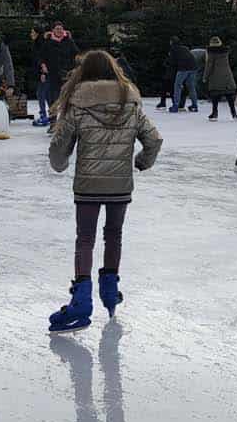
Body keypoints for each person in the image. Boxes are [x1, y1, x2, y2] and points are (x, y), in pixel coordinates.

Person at [47, 50, 162, 332]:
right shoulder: (130, 101)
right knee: (114, 235)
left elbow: (59, 146)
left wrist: (60, 164)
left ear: (84, 72)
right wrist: (141, 162)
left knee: (85, 238)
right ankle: (110, 292)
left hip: (87, 184)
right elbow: (154, 140)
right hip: (119, 184)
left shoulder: (78, 103)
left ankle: (82, 302)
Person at [35, 22, 80, 127]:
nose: (59, 31)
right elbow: (40, 57)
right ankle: (53, 122)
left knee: (68, 98)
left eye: (61, 29)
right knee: (52, 99)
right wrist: (43, 67)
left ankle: (68, 122)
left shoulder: (69, 41)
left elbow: (77, 54)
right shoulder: (47, 42)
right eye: (57, 29)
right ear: (53, 30)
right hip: (52, 74)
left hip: (67, 74)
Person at [203, 37, 237, 121]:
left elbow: (209, 66)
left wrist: (205, 77)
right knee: (229, 97)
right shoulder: (226, 52)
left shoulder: (211, 52)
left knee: (215, 96)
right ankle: (234, 114)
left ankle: (214, 114)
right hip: (227, 76)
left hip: (216, 77)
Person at [168, 38, 199, 113]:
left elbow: (172, 63)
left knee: (177, 85)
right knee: (191, 86)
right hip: (193, 67)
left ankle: (175, 106)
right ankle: (194, 105)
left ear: (172, 42)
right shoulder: (185, 48)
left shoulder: (173, 50)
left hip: (183, 68)